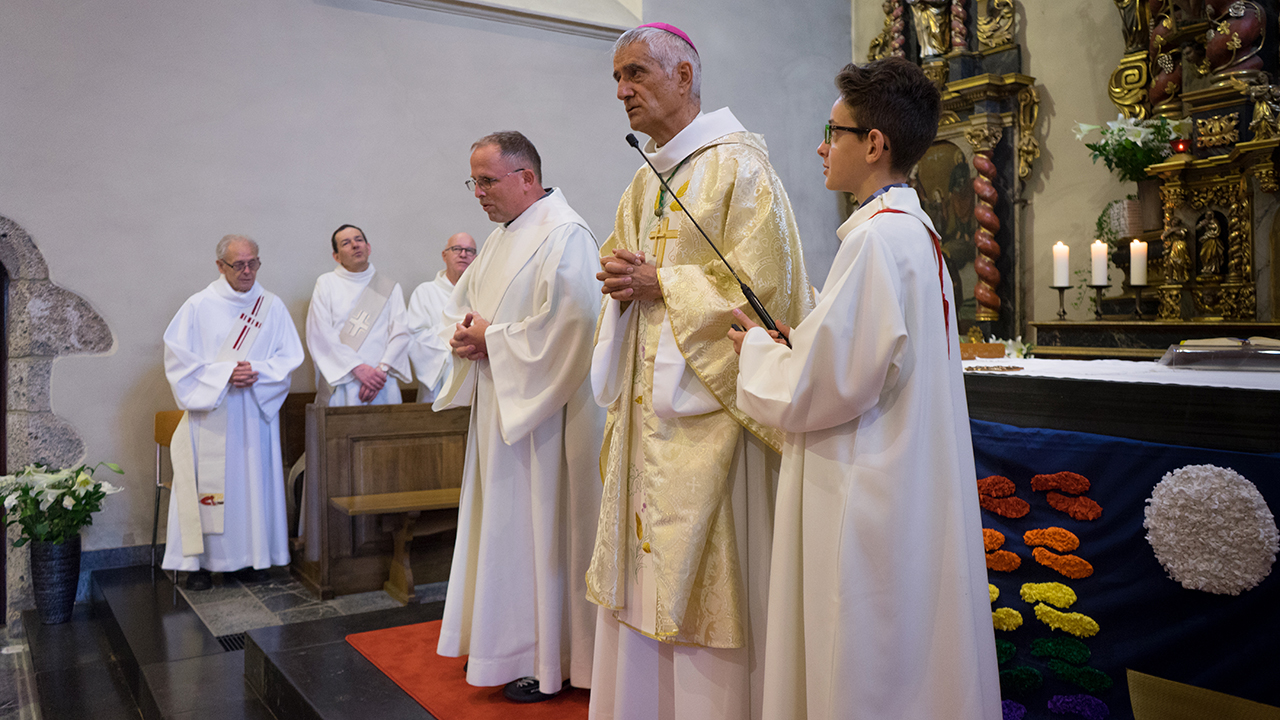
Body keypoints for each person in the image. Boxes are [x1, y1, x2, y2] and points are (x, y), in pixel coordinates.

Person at [728, 58, 1002, 720]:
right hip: (903, 475)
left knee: (857, 651)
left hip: (864, 483)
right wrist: (807, 343)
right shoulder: (918, 235)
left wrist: (759, 350)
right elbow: (867, 358)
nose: (822, 147)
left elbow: (826, 388)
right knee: (906, 649)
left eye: (834, 132)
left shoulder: (878, 242)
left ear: (874, 144)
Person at [588, 23, 812, 720]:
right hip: (646, 413)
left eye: (636, 75)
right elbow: (630, 271)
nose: (623, 91)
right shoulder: (644, 176)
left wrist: (666, 284)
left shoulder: (741, 169)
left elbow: (766, 293)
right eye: (617, 80)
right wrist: (622, 282)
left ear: (683, 77)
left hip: (711, 416)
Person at [433, 131, 605, 703]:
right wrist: (464, 338)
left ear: (526, 178)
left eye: (487, 180)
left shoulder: (566, 236)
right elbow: (462, 310)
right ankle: (504, 646)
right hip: (501, 413)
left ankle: (549, 657)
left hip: (549, 421)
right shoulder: (499, 238)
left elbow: (575, 328)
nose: (478, 193)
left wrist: (495, 341)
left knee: (543, 534)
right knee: (504, 533)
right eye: (473, 181)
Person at [161, 235, 304, 590]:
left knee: (251, 488)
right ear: (220, 266)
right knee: (206, 489)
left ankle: (250, 560)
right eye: (238, 264)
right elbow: (178, 359)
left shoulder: (271, 307)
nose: (247, 271)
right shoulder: (198, 306)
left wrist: (255, 371)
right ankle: (199, 565)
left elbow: (290, 358)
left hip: (255, 414)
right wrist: (226, 374)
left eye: (253, 263)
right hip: (212, 414)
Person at [305, 224, 411, 406]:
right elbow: (320, 334)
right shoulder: (326, 284)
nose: (355, 245)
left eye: (359, 240)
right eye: (346, 243)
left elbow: (401, 334)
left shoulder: (389, 287)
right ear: (336, 256)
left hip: (381, 384)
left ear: (368, 247)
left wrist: (380, 372)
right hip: (343, 382)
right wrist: (358, 368)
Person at [406, 232, 476, 403]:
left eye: (470, 250)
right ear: (444, 255)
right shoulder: (425, 292)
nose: (463, 254)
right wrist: (457, 338)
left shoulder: (482, 292)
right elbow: (414, 338)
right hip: (438, 383)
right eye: (457, 248)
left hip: (475, 377)